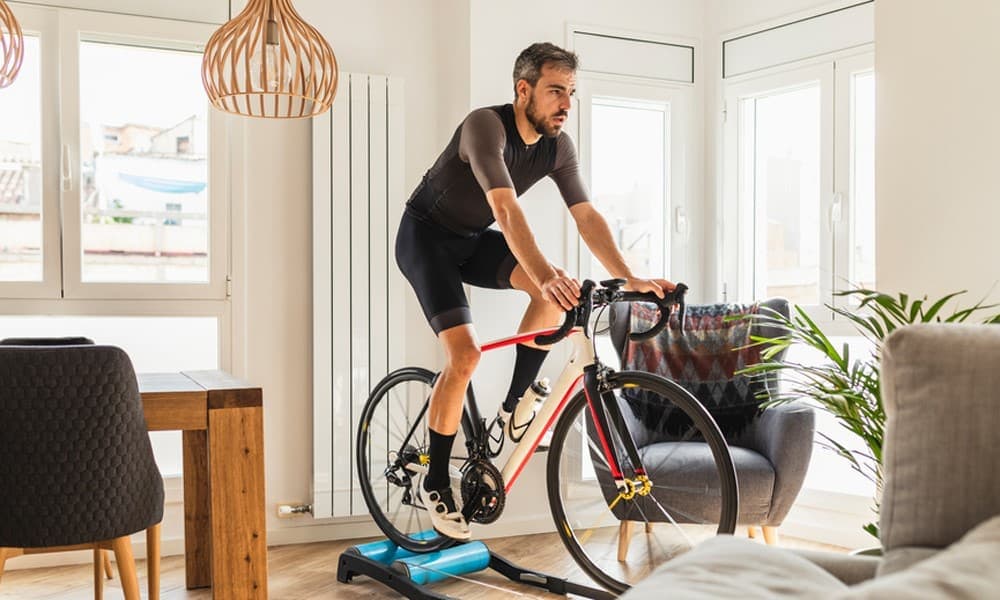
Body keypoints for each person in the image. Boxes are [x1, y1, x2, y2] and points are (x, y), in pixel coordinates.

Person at [395, 42, 675, 540]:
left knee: (554, 295)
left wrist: (631, 276)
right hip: (426, 238)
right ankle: (435, 480)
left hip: (472, 240)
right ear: (523, 90)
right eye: (554, 92)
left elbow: (585, 216)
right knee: (465, 355)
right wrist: (545, 271)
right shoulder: (484, 126)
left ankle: (513, 406)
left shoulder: (558, 146)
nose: (565, 104)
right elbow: (506, 210)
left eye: (571, 93)